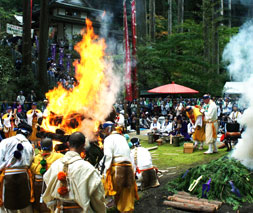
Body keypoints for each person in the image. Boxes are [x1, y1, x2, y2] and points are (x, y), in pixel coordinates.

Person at [43, 132, 106, 212]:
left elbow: (47, 191)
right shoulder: (88, 169)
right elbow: (98, 197)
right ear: (83, 146)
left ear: (68, 144)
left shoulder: (55, 165)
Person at [100, 122, 138, 212]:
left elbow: (108, 156)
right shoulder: (122, 138)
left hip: (117, 168)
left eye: (104, 130)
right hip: (128, 167)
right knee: (126, 194)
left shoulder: (108, 139)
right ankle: (126, 210)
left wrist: (105, 172)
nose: (103, 132)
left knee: (113, 189)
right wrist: (133, 170)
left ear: (107, 129)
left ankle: (112, 203)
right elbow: (129, 154)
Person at [0, 120, 34, 213]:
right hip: (24, 177)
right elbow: (31, 162)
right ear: (28, 134)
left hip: (8, 177)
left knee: (8, 204)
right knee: (24, 203)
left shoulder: (5, 142)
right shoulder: (30, 146)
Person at [31, 138, 64, 213]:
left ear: (41, 146)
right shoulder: (58, 156)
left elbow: (32, 168)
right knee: (49, 203)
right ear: (52, 146)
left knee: (37, 204)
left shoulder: (36, 158)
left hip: (37, 184)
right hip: (50, 184)